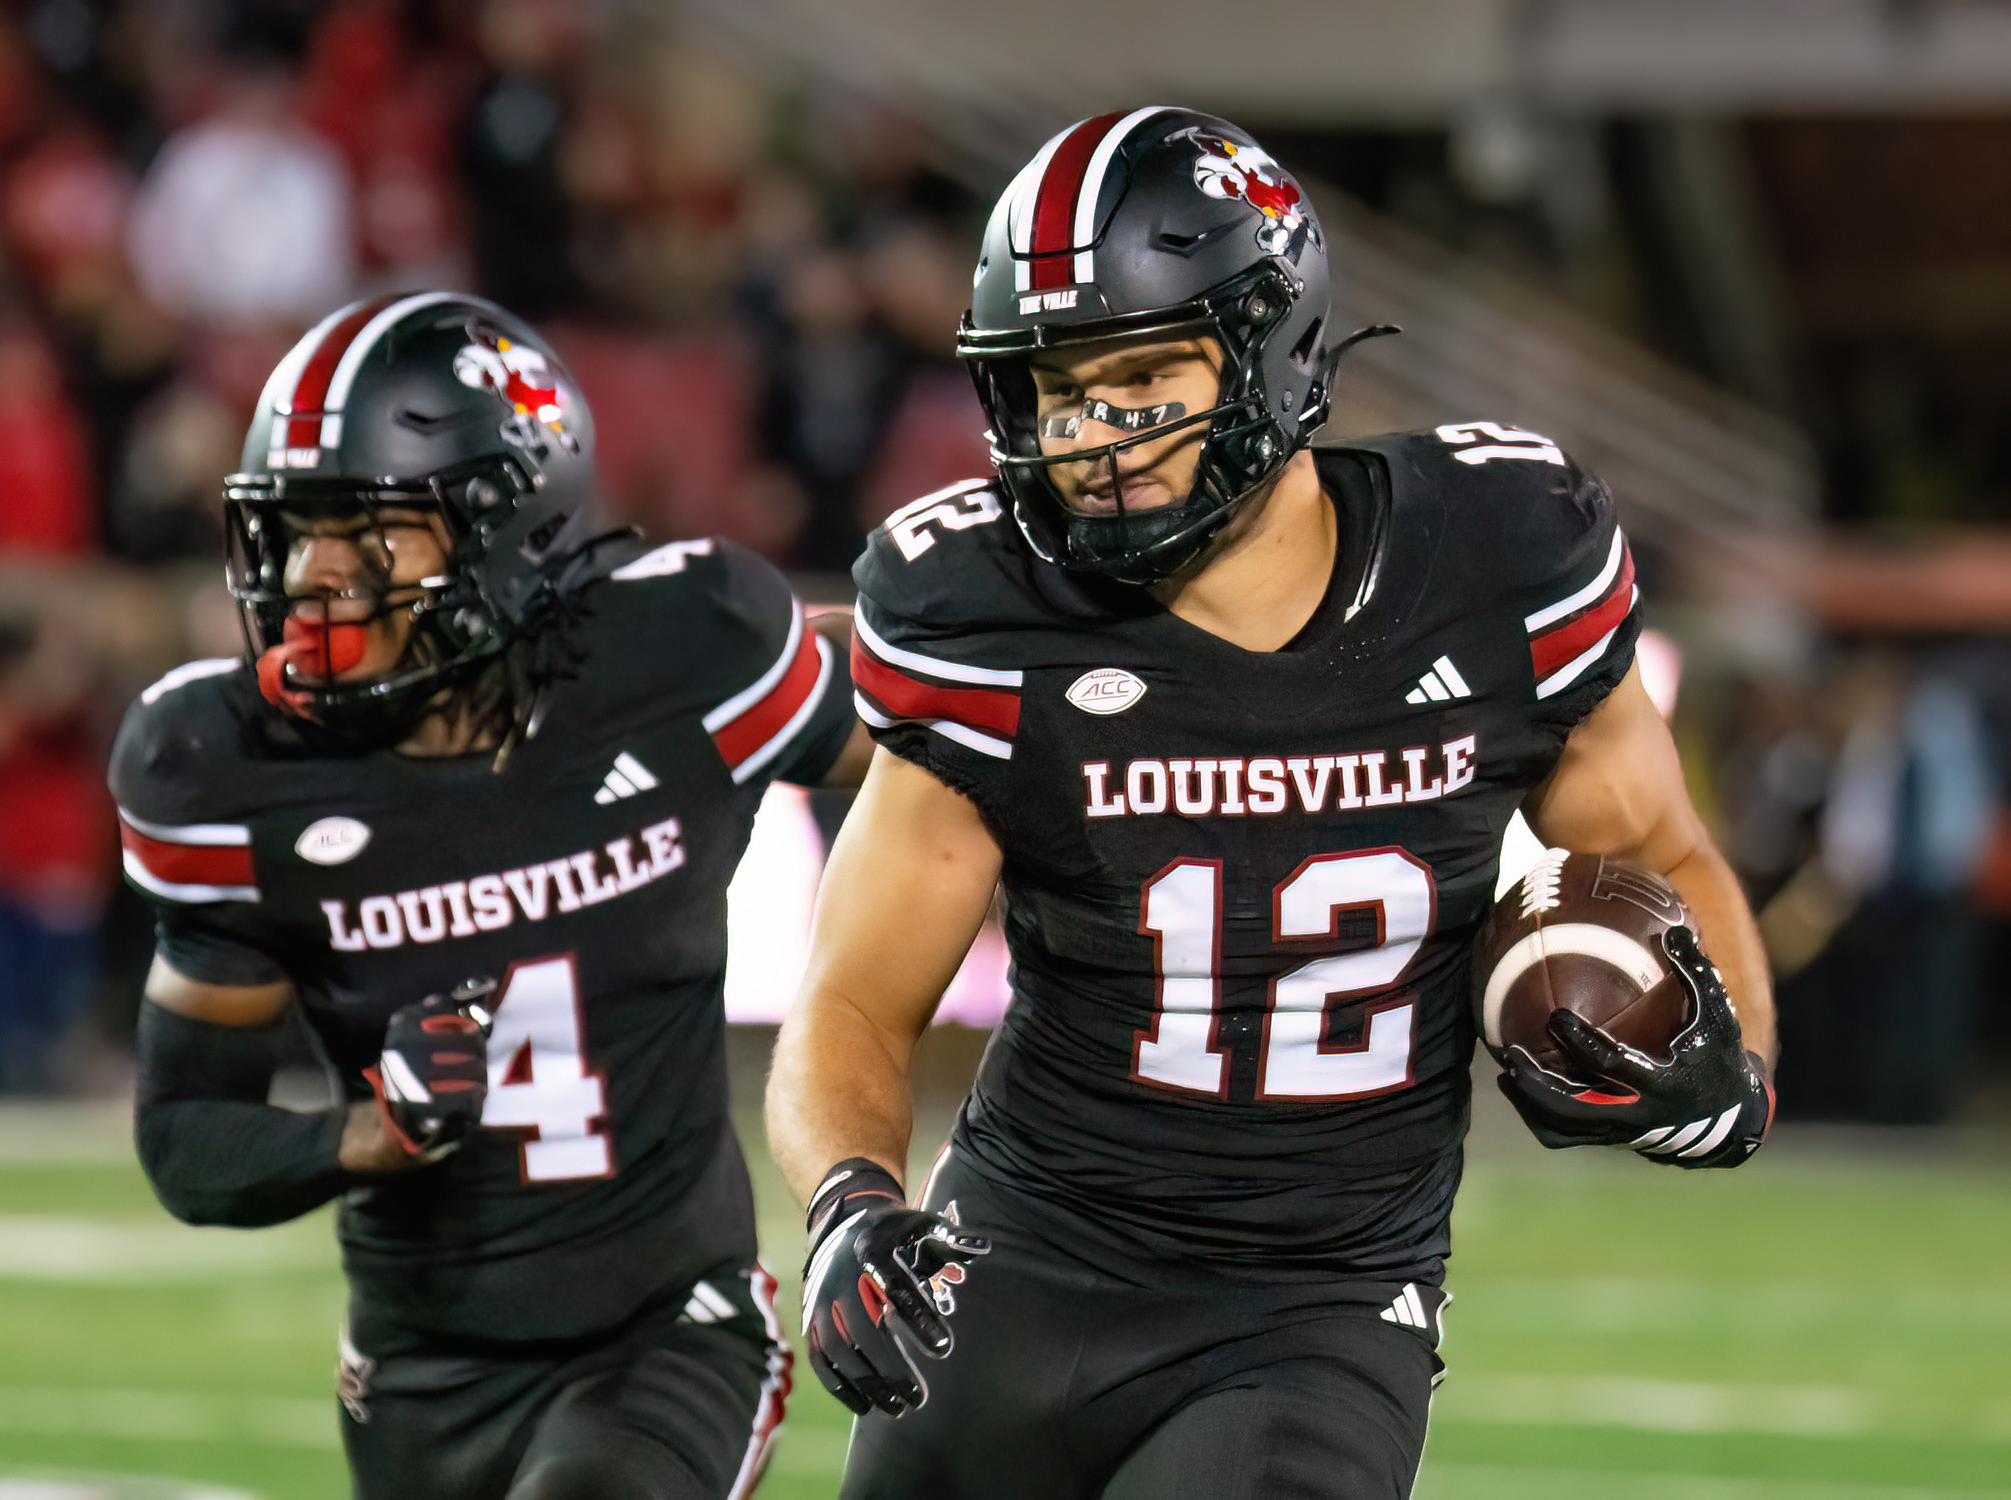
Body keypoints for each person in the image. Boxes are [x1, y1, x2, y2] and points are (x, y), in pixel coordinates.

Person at [766, 109, 1776, 1500]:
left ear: (1270, 347)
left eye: (1137, 379)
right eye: (1055, 392)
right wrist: (846, 1206)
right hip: (1018, 1262)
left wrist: (1737, 1068)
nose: (1091, 439)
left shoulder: (1495, 559)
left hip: (1316, 1302)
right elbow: (854, 1000)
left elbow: (1662, 851)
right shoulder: (987, 616)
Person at [111, 292, 869, 1500]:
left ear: (512, 530)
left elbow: (945, 740)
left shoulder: (683, 651)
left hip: (666, 1328)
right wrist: (373, 1131)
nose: (316, 579)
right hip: (419, 1369)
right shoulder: (226, 762)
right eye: (296, 532)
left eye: (372, 537)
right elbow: (187, 1137)